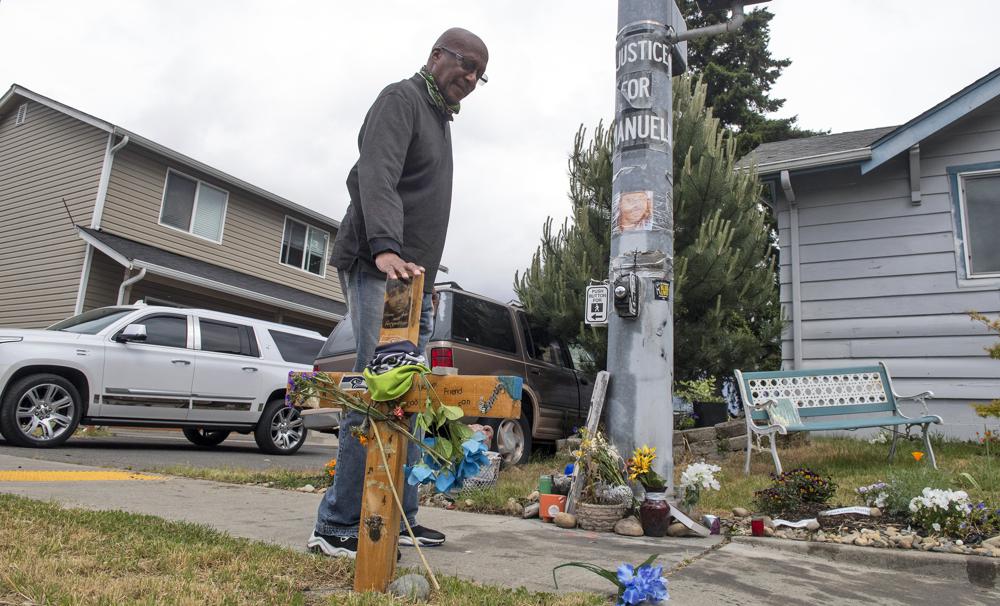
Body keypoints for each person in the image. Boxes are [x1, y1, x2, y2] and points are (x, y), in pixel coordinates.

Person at [308, 27, 489, 558]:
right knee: (374, 393)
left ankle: (401, 516)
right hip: (378, 268)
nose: (471, 77)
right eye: (465, 64)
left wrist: (426, 281)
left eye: (480, 73)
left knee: (406, 401)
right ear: (436, 55)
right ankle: (337, 524)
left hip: (413, 281)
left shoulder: (437, 118)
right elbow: (374, 173)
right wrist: (386, 246)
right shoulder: (401, 99)